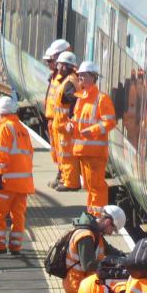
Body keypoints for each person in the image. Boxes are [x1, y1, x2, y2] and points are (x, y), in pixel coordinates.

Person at [0, 96, 34, 256]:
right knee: (18, 215)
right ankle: (15, 246)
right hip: (23, 183)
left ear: (1, 112)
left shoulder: (5, 128)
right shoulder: (23, 129)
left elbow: (1, 154)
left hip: (7, 182)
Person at [67, 61, 116, 214]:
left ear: (93, 77)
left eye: (83, 75)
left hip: (95, 152)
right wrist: (70, 125)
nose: (79, 77)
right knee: (89, 187)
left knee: (96, 186)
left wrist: (93, 130)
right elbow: (76, 119)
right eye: (79, 75)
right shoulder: (82, 98)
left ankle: (98, 217)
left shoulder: (102, 99)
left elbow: (110, 122)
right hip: (83, 151)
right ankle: (92, 214)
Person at [42, 39, 71, 188]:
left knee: (63, 152)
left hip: (60, 121)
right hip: (53, 120)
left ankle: (64, 177)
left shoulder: (67, 79)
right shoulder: (55, 76)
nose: (50, 64)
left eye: (51, 60)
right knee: (57, 152)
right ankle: (61, 175)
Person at [51, 51, 81, 192]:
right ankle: (65, 179)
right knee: (64, 156)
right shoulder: (68, 80)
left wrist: (70, 119)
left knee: (68, 156)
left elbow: (74, 100)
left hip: (65, 127)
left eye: (60, 65)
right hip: (62, 127)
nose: (57, 67)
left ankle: (71, 183)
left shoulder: (69, 83)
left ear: (66, 66)